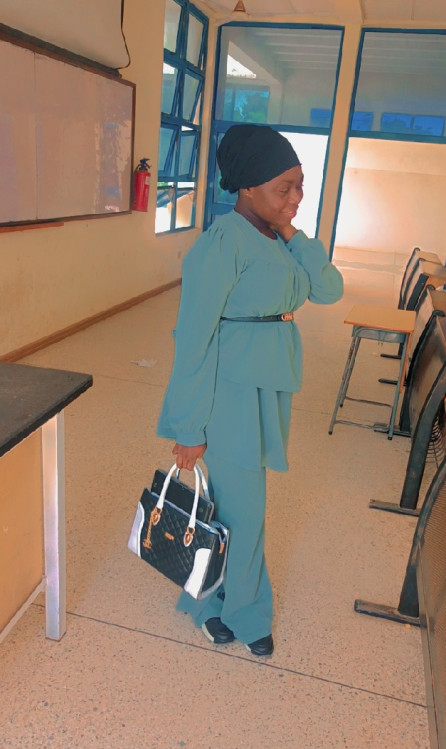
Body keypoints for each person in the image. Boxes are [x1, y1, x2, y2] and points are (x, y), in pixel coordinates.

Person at [157, 124, 343, 656]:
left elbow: (329, 289)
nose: (296, 197)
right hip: (230, 393)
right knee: (246, 511)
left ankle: (205, 600)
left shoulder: (277, 240)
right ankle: (246, 612)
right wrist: (188, 426)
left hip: (268, 389)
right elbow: (193, 339)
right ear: (247, 187)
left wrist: (290, 230)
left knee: (229, 507)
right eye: (284, 187)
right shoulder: (222, 243)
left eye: (300, 185)